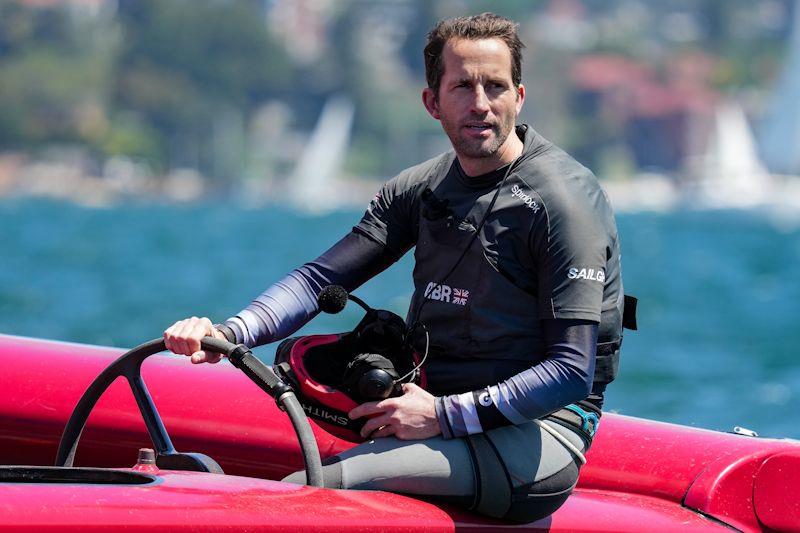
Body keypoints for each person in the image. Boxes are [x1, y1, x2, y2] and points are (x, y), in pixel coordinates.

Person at [164, 13, 629, 523]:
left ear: (519, 96)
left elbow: (571, 371)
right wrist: (228, 333)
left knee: (301, 493)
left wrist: (441, 415)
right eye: (462, 87)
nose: (480, 104)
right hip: (435, 410)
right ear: (432, 102)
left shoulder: (563, 202)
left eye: (495, 86)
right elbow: (319, 280)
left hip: (540, 433)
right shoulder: (422, 187)